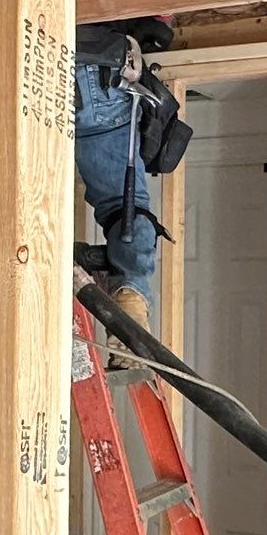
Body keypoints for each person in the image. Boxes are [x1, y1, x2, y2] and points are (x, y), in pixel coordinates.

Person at [74, 18, 187, 324]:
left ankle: (132, 299)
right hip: (45, 75)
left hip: (100, 89)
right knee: (118, 208)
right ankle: (129, 298)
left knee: (128, 207)